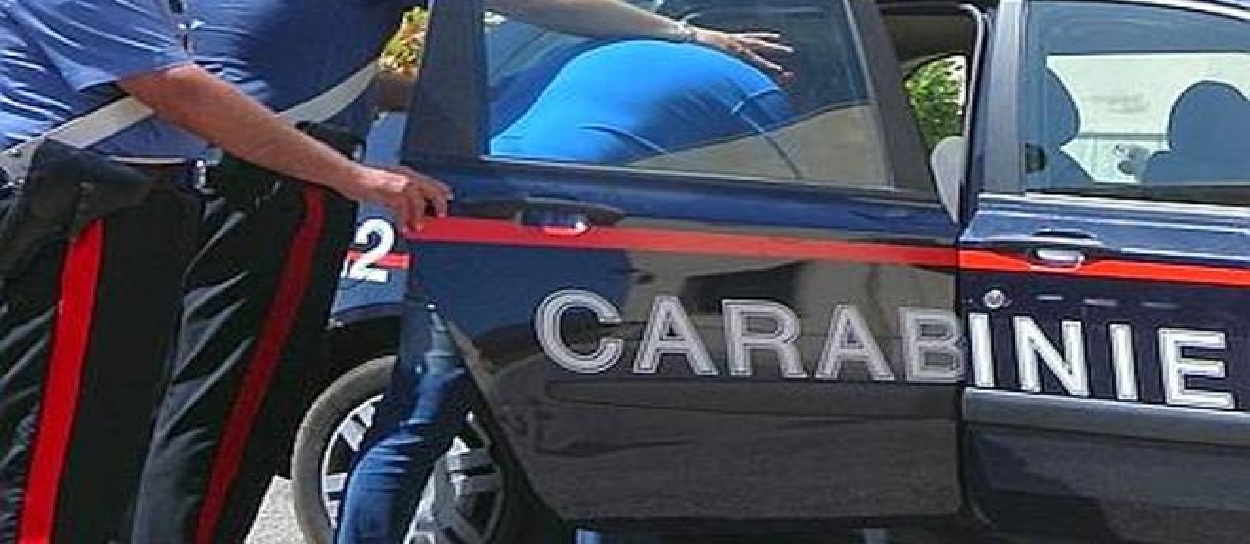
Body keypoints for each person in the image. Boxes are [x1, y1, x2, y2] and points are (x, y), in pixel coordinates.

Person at [120, 1, 789, 543]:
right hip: (280, 186)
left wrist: (455, 97)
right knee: (231, 414)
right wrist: (684, 33)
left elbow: (291, 76)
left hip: (199, 176)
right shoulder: (723, 76)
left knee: (188, 400)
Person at [0, 1, 449, 543]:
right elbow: (172, 84)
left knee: (119, 437)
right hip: (114, 203)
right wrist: (355, 176)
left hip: (159, 190)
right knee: (150, 439)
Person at [337, 23, 795, 544]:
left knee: (416, 419)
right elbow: (793, 196)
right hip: (578, 238)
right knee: (599, 428)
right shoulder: (753, 91)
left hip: (473, 218)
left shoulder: (569, 53)